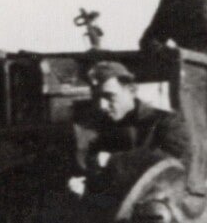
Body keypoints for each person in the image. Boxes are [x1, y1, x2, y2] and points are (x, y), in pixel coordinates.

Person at [68, 60, 195, 205]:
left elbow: (172, 162)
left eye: (109, 96)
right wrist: (86, 188)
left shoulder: (167, 122)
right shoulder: (102, 129)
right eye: (97, 97)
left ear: (131, 91)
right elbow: (99, 177)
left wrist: (112, 160)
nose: (102, 106)